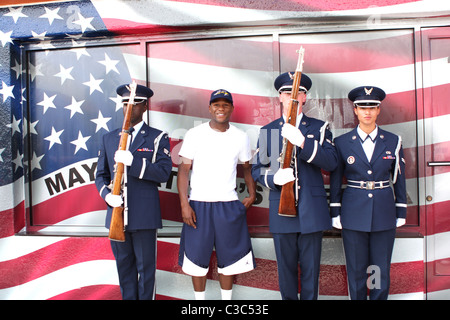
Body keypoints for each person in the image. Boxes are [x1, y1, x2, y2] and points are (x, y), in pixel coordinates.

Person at [251, 72, 337, 300]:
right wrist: (273, 179)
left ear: (305, 97)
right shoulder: (269, 131)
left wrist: (302, 142)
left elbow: (331, 162)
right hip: (281, 210)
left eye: (298, 92)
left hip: (312, 211)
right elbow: (258, 169)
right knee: (286, 274)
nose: (293, 96)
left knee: (311, 273)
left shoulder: (318, 128)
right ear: (279, 97)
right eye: (287, 92)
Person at [177, 89, 256, 300]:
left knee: (230, 260)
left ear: (231, 108)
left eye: (225, 105)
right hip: (199, 204)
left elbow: (246, 167)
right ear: (210, 108)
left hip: (228, 204)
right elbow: (184, 170)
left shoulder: (240, 137)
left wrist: (252, 193)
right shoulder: (195, 134)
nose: (220, 108)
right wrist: (185, 204)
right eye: (216, 105)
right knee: (196, 259)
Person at [329, 86, 407, 300]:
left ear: (378, 110)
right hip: (353, 211)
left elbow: (399, 177)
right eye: (362, 107)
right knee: (356, 267)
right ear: (355, 110)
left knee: (379, 268)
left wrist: (401, 210)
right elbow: (336, 181)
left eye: (372, 107)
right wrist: (335, 211)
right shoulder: (342, 143)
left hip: (383, 210)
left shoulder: (393, 141)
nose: (367, 112)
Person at [95, 83, 172, 300]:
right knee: (124, 271)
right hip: (116, 217)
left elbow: (164, 173)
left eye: (135, 104)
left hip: (144, 217)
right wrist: (107, 196)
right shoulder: (109, 138)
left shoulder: (157, 137)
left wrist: (134, 163)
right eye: (125, 104)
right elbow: (100, 175)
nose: (129, 109)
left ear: (145, 106)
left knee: (146, 273)